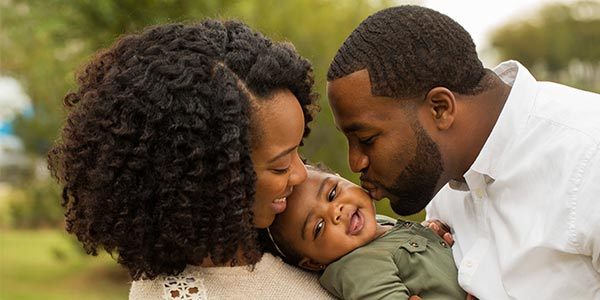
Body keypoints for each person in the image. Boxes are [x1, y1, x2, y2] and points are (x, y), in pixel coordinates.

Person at [325, 5, 600, 300]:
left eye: (366, 138)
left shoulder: (587, 159)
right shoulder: (442, 171)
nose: (355, 162)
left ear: (440, 109)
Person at [47, 20, 334, 299]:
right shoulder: (182, 294)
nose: (301, 174)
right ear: (210, 178)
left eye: (299, 150)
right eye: (281, 166)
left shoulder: (302, 238)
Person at [268, 164, 467, 299]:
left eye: (332, 193)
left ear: (341, 177)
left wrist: (428, 237)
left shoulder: (378, 225)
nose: (335, 212)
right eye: (319, 227)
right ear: (313, 263)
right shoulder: (355, 268)